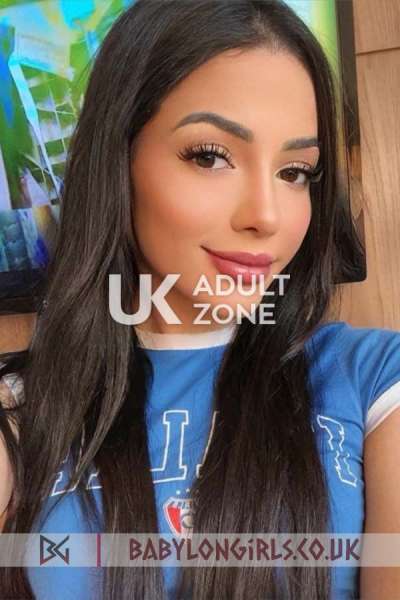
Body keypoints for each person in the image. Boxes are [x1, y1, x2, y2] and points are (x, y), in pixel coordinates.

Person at [0, 1, 399, 599]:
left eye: (295, 171)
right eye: (210, 156)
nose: (267, 216)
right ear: (119, 160)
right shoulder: (19, 413)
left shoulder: (374, 381)